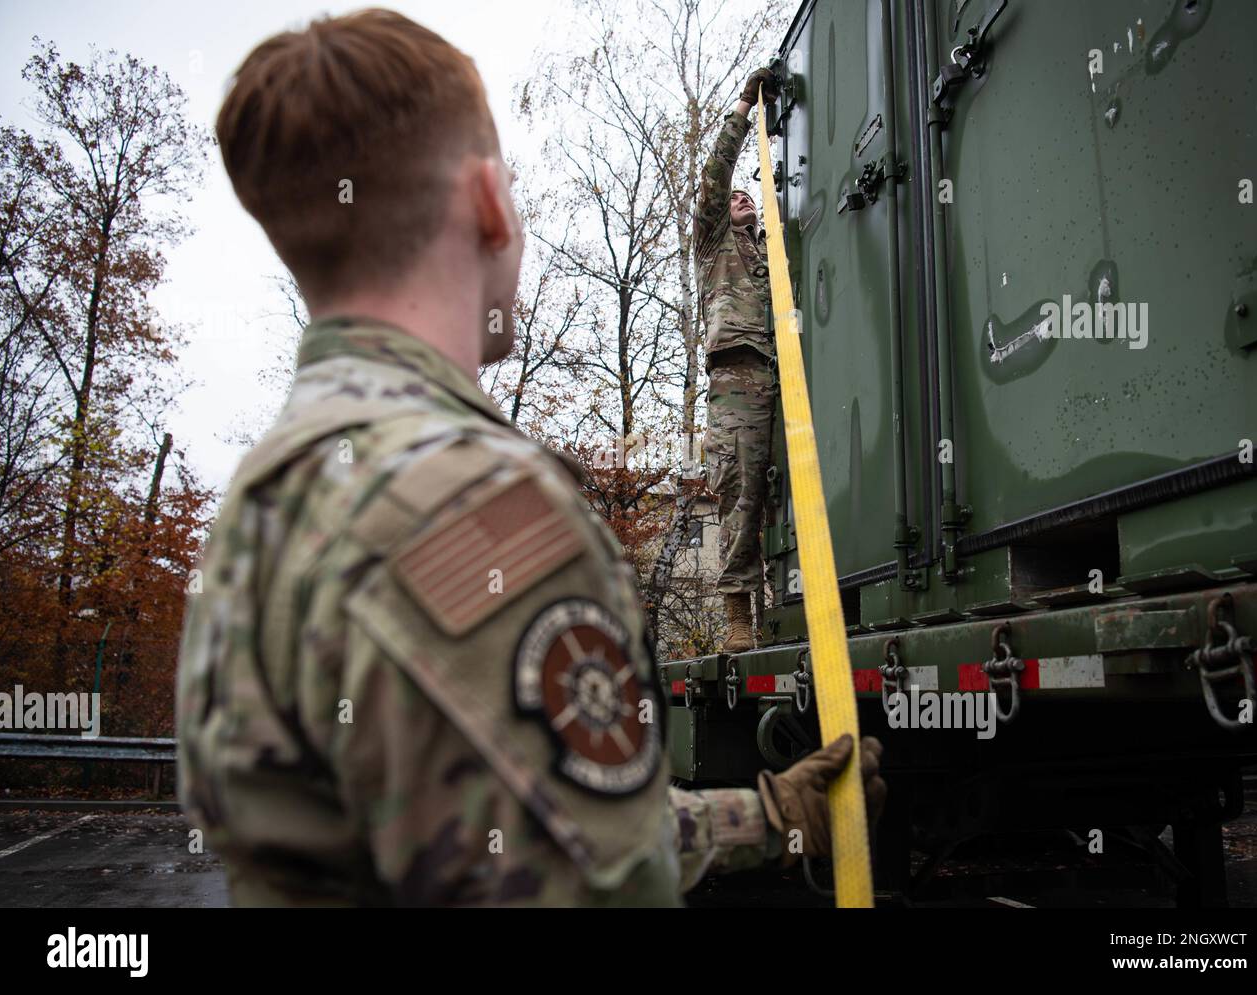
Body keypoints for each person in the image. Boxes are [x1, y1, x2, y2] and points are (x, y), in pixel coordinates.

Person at [176, 10, 883, 906]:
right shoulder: (484, 509)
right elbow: (604, 881)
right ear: (485, 201)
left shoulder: (258, 506)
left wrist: (767, 815)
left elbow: (533, 826)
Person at [696, 68, 778, 653]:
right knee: (740, 489)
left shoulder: (774, 251)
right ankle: (738, 615)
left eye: (750, 194)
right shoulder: (715, 240)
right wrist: (747, 106)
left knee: (789, 490)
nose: (741, 197)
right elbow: (716, 173)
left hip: (788, 377)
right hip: (738, 373)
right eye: (735, 198)